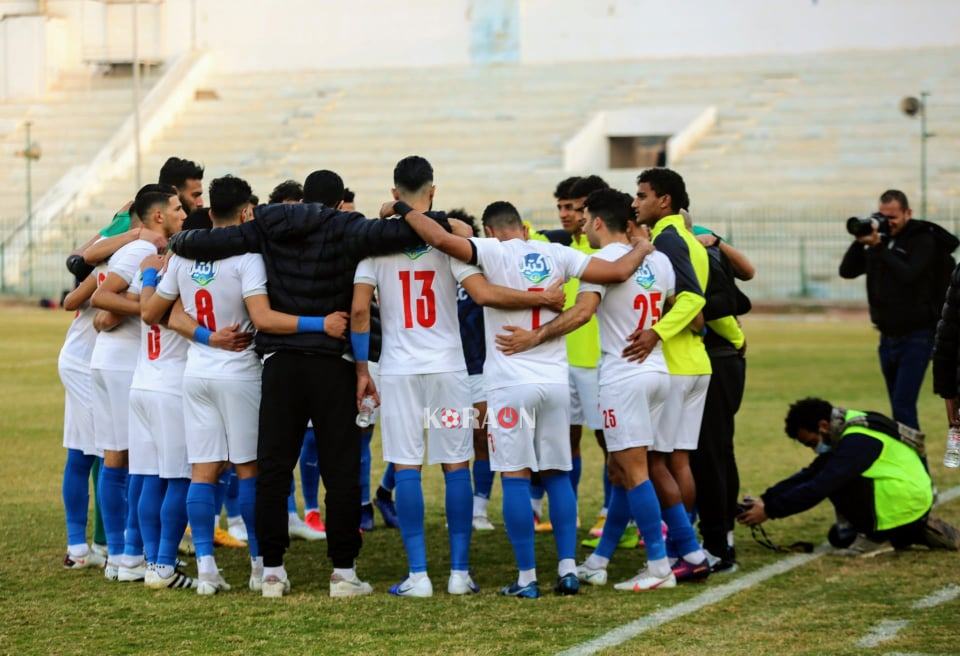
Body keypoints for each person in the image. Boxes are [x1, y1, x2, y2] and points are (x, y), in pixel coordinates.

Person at [167, 179, 454, 599]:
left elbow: (202, 243)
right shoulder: (347, 226)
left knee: (273, 470)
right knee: (339, 472)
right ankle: (342, 571)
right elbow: (404, 234)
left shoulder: (265, 223)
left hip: (280, 364)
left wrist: (179, 237)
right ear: (339, 200)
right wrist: (413, 212)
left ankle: (272, 571)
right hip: (330, 363)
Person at [395, 196, 653, 598]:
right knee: (556, 473)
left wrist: (402, 210)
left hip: (509, 381)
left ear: (492, 231)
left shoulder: (490, 250)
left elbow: (442, 241)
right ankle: (567, 569)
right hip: (554, 380)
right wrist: (641, 245)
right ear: (524, 228)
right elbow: (618, 270)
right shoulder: (557, 252)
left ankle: (527, 578)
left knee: (514, 475)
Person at [494, 189, 678, 591]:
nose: (581, 225)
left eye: (585, 218)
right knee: (621, 470)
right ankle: (599, 559)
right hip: (657, 373)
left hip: (622, 375)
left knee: (633, 471)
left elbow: (582, 312)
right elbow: (670, 304)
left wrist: (536, 335)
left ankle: (659, 565)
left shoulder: (604, 262)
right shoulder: (658, 259)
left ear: (597, 222)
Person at [623, 167, 721, 582]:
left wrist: (655, 331)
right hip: (695, 363)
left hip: (676, 364)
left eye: (642, 195)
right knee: (677, 459)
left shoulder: (665, 240)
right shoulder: (687, 238)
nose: (635, 203)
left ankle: (685, 548)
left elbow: (693, 300)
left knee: (657, 463)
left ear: (664, 201)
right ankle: (691, 542)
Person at [89, 184, 179, 581]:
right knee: (134, 461)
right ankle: (129, 552)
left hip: (115, 360)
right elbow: (102, 301)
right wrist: (147, 307)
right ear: (158, 215)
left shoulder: (142, 250)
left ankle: (120, 556)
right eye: (178, 207)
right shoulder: (140, 251)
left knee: (118, 457)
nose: (184, 213)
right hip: (125, 362)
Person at [739, 398, 959, 553]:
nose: (812, 449)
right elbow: (810, 473)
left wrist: (770, 511)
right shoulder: (851, 424)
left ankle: (878, 536)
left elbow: (820, 485)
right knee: (840, 536)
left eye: (811, 443)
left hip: (903, 498)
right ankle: (910, 530)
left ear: (823, 426)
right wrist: (766, 500)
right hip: (907, 495)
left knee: (836, 482)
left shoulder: (857, 440)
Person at [839, 190, 958, 430]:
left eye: (892, 217)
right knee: (897, 407)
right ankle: (911, 463)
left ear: (907, 213)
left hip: (918, 335)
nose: (887, 222)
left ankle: (916, 466)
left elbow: (909, 275)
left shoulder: (922, 239)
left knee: (903, 406)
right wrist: (860, 239)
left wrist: (881, 248)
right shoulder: (879, 240)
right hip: (887, 337)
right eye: (882, 216)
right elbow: (847, 271)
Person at [687, 213, 753, 573]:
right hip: (722, 359)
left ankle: (717, 543)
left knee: (709, 454)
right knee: (717, 451)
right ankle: (720, 535)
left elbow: (720, 302)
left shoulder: (692, 239)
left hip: (715, 359)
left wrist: (715, 239)